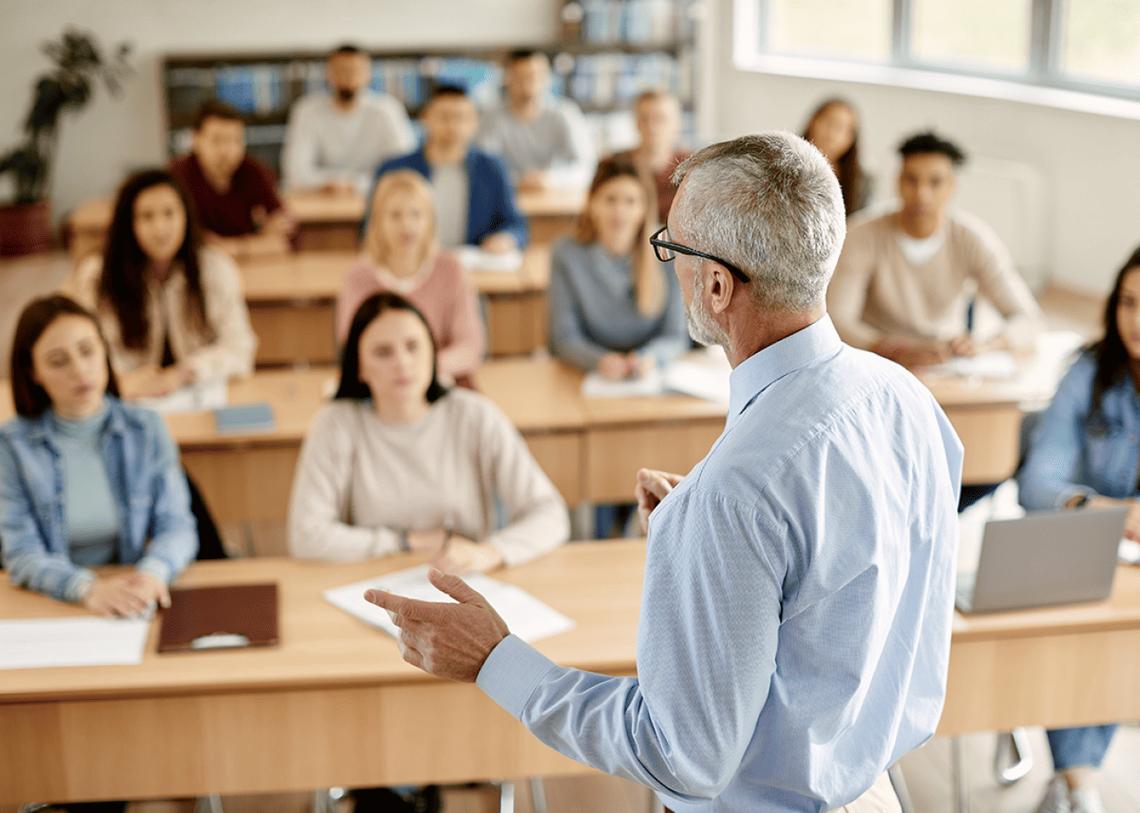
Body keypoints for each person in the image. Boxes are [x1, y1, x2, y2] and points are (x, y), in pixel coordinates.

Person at [366, 132, 963, 812]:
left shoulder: (738, 492)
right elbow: (841, 580)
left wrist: (495, 659)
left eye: (671, 247)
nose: (667, 263)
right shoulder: (906, 398)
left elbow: (684, 756)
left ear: (716, 285)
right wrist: (715, 541)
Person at [289, 292, 568, 574]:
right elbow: (306, 536)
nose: (402, 363)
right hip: (373, 580)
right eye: (383, 352)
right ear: (359, 366)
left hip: (464, 579)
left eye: (413, 346)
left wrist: (489, 552)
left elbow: (550, 514)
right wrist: (405, 542)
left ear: (433, 352)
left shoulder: (474, 415)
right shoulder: (336, 423)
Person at [1018, 246, 1140, 813]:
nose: (1137, 320)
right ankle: (1079, 783)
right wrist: (1103, 510)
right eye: (1128, 303)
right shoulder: (1087, 373)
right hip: (1082, 553)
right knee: (1087, 620)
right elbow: (1037, 484)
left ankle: (1074, 782)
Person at [1, 295, 197, 615]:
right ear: (33, 372)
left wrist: (152, 574)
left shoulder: (145, 428)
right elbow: (22, 553)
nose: (80, 370)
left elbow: (177, 526)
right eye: (58, 361)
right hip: (55, 598)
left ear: (105, 351)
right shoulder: (12, 445)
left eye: (87, 351)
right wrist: (86, 588)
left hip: (131, 591)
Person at [828, 131, 1042, 368]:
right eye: (911, 180)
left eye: (935, 182)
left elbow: (1027, 319)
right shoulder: (860, 235)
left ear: (952, 186)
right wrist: (892, 349)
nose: (922, 194)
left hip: (947, 363)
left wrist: (984, 345)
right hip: (876, 361)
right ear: (897, 182)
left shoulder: (973, 238)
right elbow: (837, 319)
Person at [66, 168, 257, 400]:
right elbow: (86, 350)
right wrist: (126, 380)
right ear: (128, 223)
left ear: (186, 216)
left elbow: (240, 348)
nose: (160, 228)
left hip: (196, 395)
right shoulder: (97, 276)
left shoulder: (214, 268)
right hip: (125, 397)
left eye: (169, 213)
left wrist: (185, 372)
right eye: (147, 216)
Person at [335, 170, 484, 383]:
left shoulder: (451, 270)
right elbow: (354, 350)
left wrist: (420, 370)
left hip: (441, 383)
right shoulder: (357, 277)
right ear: (378, 222)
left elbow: (470, 347)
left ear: (430, 221)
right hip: (381, 388)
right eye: (395, 215)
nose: (406, 225)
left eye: (416, 214)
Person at [548, 156, 688, 379]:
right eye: (610, 200)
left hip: (649, 374)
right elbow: (564, 338)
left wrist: (650, 358)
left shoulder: (667, 251)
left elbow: (675, 336)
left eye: (630, 201)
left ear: (644, 208)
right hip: (588, 374)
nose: (619, 212)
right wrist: (599, 361)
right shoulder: (566, 254)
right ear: (592, 203)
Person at [367, 84, 527, 252]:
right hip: (411, 261)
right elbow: (370, 229)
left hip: (473, 261)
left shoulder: (492, 168)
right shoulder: (394, 169)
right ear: (425, 118)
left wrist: (506, 238)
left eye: (461, 118)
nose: (453, 126)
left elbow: (515, 225)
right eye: (444, 117)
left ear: (474, 122)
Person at [283, 44, 416, 196]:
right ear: (328, 74)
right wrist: (333, 184)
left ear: (368, 74)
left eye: (355, 70)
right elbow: (295, 172)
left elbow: (403, 167)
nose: (348, 77)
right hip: (320, 198)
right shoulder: (307, 110)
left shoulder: (387, 110)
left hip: (377, 197)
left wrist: (355, 185)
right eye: (341, 70)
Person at [170, 100, 293, 257]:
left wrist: (233, 247)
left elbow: (284, 236)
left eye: (235, 140)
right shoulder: (178, 176)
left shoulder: (252, 171)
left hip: (251, 266)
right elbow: (189, 243)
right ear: (196, 140)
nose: (226, 151)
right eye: (217, 140)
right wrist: (257, 243)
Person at [476, 50, 595, 190]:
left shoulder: (565, 113)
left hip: (557, 194)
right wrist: (518, 180)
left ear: (548, 78)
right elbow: (482, 166)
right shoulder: (492, 118)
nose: (527, 84)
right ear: (507, 79)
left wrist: (551, 179)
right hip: (508, 193)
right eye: (520, 77)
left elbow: (586, 166)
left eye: (534, 76)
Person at [611, 89, 691, 224]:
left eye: (660, 119)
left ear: (677, 124)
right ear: (636, 123)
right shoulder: (614, 165)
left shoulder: (691, 168)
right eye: (644, 118)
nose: (652, 126)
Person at [801, 97, 872, 215]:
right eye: (828, 122)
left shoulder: (862, 183)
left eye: (840, 128)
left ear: (851, 139)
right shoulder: (782, 163)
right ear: (812, 122)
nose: (831, 134)